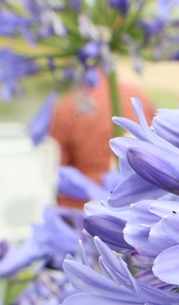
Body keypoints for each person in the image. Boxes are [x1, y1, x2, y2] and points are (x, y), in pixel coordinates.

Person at [48, 72, 157, 208]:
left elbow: (56, 171)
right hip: (142, 199)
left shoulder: (67, 107)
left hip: (86, 208)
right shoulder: (138, 96)